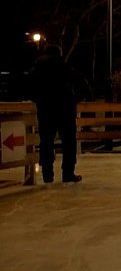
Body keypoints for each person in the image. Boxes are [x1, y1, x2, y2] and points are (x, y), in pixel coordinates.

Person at [27, 45, 88, 184]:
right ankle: (68, 173)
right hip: (65, 110)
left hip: (46, 110)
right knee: (68, 143)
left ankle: (47, 174)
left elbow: (27, 88)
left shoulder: (36, 70)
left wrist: (39, 99)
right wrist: (75, 99)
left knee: (46, 142)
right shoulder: (64, 67)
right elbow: (82, 84)